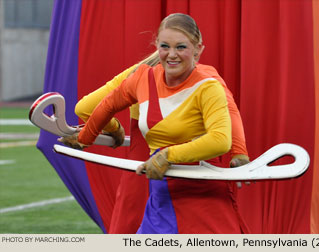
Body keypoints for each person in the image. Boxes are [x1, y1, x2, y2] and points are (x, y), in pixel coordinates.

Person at [60, 13, 249, 234]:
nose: (172, 55)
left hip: (193, 185)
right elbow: (99, 106)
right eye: (165, 46)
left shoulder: (207, 83)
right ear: (157, 46)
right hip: (158, 180)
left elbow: (221, 134)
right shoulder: (141, 76)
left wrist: (238, 152)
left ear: (198, 49)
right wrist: (86, 139)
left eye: (180, 47)